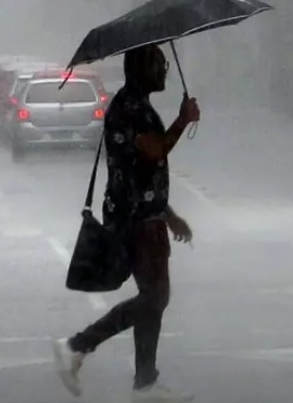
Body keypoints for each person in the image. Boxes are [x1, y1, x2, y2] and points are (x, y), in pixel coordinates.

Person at [52, 44, 200, 403]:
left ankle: (145, 383)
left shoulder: (135, 104)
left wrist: (168, 213)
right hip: (135, 221)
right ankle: (77, 345)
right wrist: (183, 119)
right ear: (140, 68)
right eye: (158, 64)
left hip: (143, 215)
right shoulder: (129, 108)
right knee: (155, 297)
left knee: (155, 298)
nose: (164, 70)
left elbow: (141, 171)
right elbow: (154, 151)